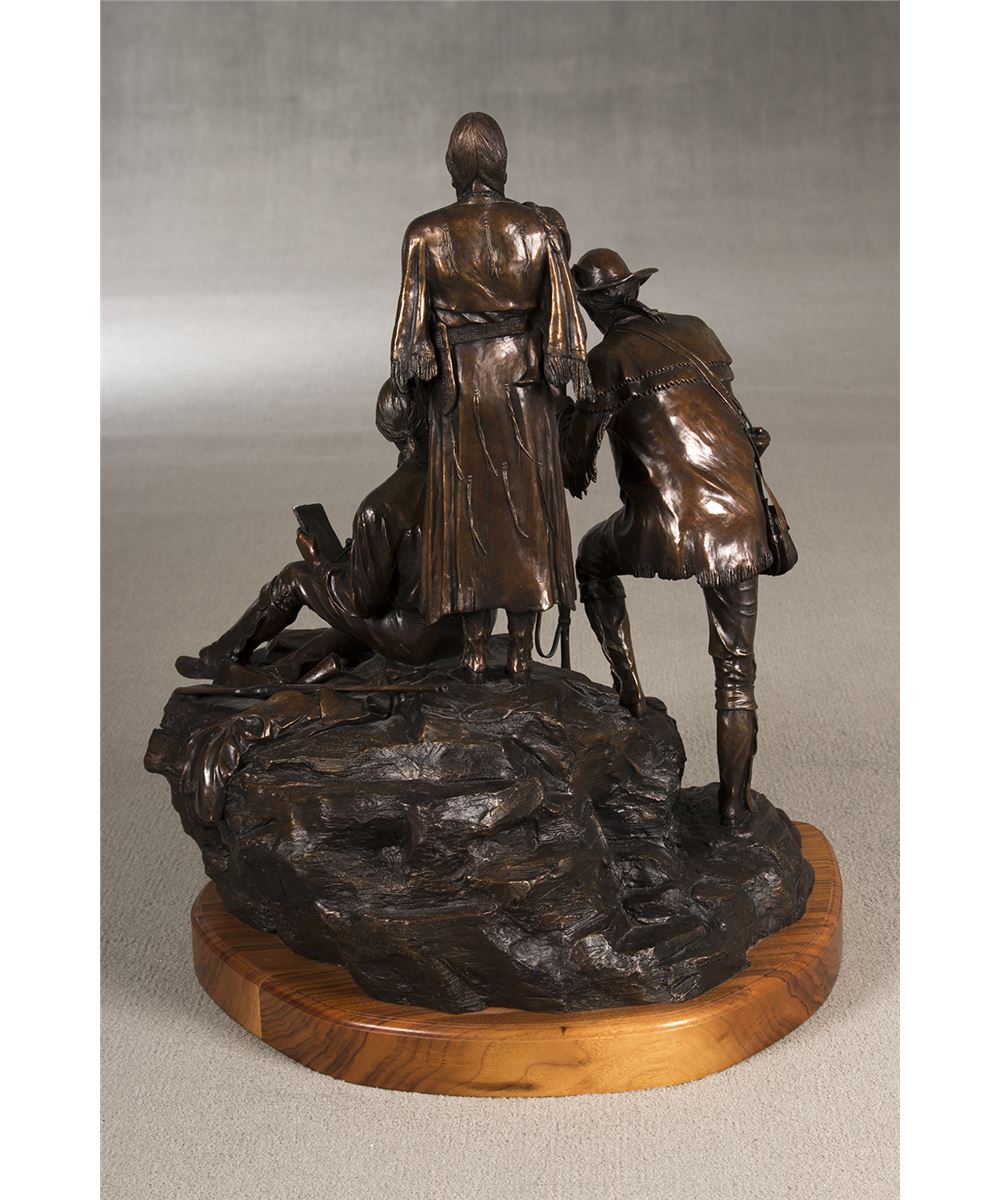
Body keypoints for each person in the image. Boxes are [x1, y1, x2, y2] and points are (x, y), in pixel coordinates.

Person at [563, 247, 797, 825]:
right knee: (736, 673)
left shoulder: (605, 360)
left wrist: (560, 410)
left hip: (666, 523)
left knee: (591, 558)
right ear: (632, 290)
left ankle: (629, 691)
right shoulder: (696, 330)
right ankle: (734, 807)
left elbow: (573, 468)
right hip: (741, 520)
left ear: (591, 306)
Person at [390, 112, 590, 680]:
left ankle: (476, 649)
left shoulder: (425, 233)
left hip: (460, 393)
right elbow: (561, 321)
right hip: (523, 389)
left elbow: (410, 333)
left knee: (468, 519)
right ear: (502, 163)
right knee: (525, 516)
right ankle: (521, 650)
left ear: (453, 165)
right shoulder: (536, 228)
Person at [175, 380, 468, 683]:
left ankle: (220, 656)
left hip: (416, 640)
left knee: (294, 577)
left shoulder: (380, 507)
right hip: (461, 631)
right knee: (355, 626)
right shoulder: (464, 483)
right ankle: (285, 671)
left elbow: (363, 603)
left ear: (389, 430)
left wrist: (319, 562)